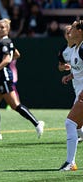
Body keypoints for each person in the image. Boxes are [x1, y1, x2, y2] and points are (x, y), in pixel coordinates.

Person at [0, 18, 44, 140]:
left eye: (2, 27)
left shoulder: (4, 42)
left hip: (4, 77)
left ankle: (38, 124)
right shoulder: (3, 42)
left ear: (8, 29)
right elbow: (17, 54)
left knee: (15, 105)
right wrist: (9, 56)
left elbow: (7, 59)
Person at [58, 20, 83, 171]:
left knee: (70, 123)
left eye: (73, 28)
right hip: (79, 94)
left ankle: (70, 162)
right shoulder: (76, 48)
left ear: (80, 31)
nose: (69, 31)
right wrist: (71, 76)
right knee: (77, 126)